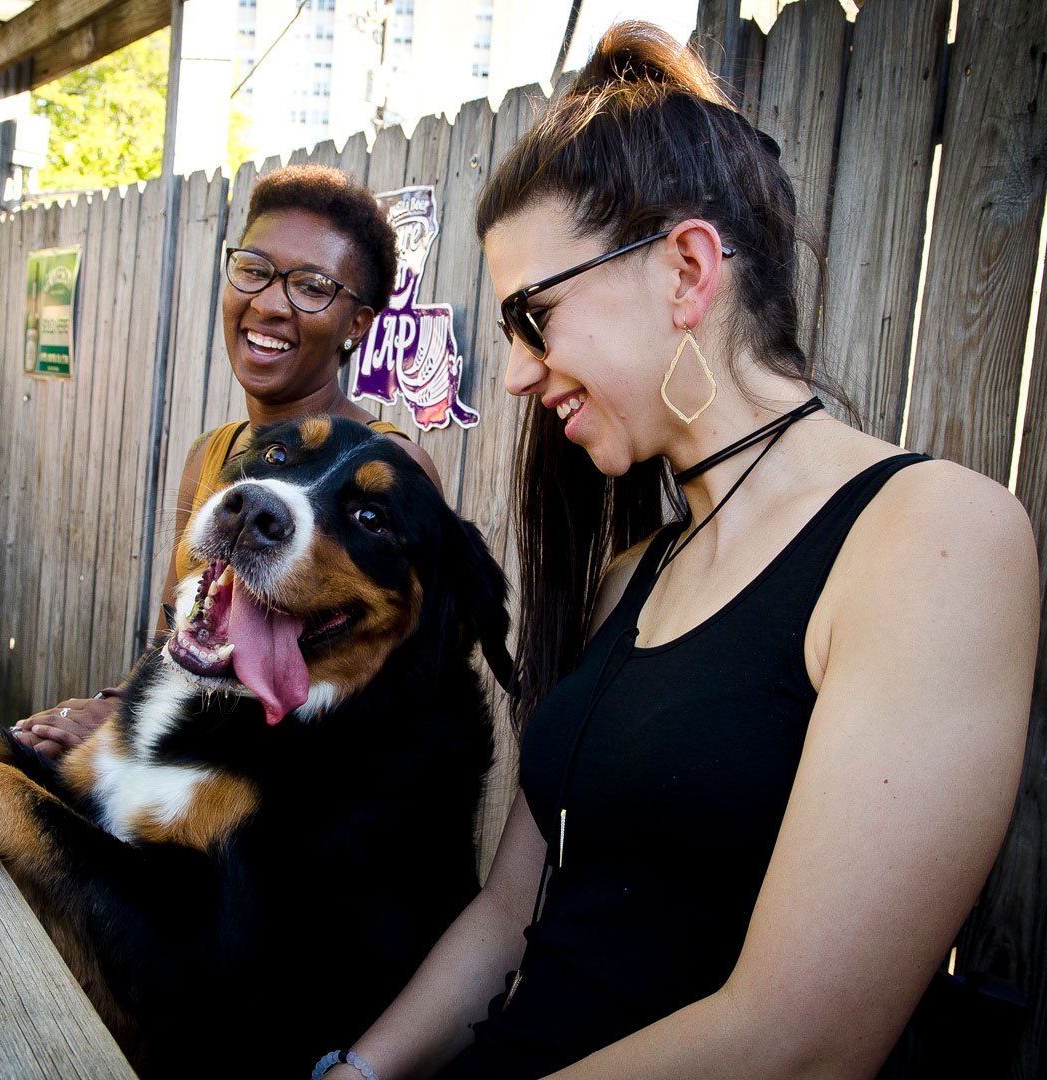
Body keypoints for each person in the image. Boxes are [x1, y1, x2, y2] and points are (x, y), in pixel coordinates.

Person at [313, 23, 1037, 1080]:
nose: (515, 375)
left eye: (534, 316)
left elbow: (804, 1043)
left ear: (687, 270)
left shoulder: (931, 538)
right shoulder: (628, 576)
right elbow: (514, 910)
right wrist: (358, 1074)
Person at [12, 165, 442, 755]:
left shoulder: (392, 470)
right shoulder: (211, 455)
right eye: (254, 270)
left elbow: (391, 700)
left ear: (356, 324)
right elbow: (174, 633)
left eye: (312, 286)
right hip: (176, 756)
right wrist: (118, 709)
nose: (269, 304)